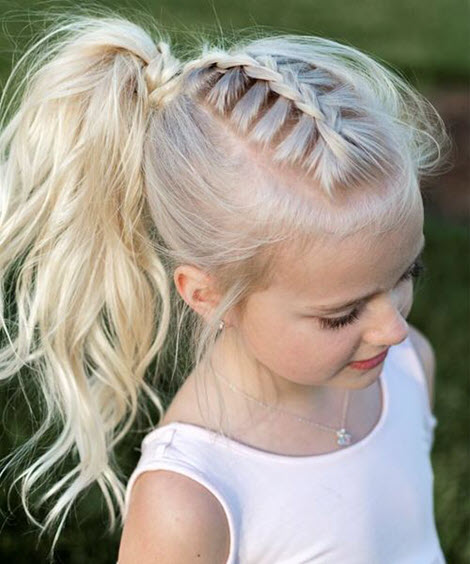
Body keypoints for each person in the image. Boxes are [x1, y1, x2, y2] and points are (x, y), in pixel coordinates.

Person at [0, 10, 452, 564]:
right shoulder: (191, 499)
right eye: (341, 315)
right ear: (207, 295)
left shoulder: (409, 369)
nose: (394, 328)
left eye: (408, 274)